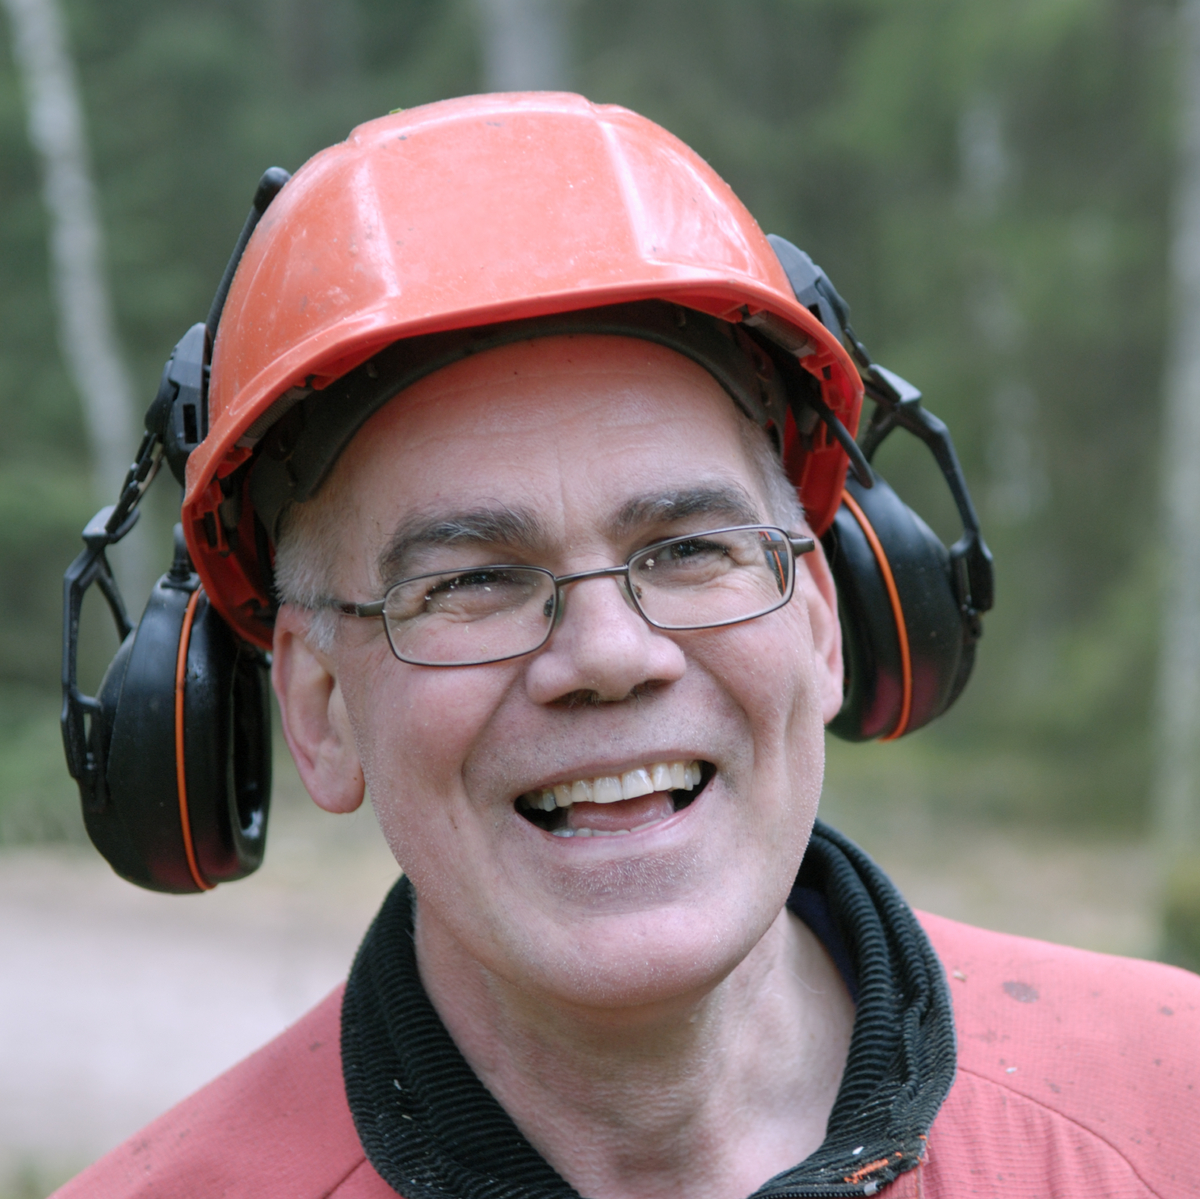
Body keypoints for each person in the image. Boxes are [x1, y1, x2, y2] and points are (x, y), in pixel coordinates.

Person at [57, 93, 1199, 1200]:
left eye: (689, 550)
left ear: (821, 613)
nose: (611, 655)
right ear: (319, 707)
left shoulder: (1170, 1107)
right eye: (474, 583)